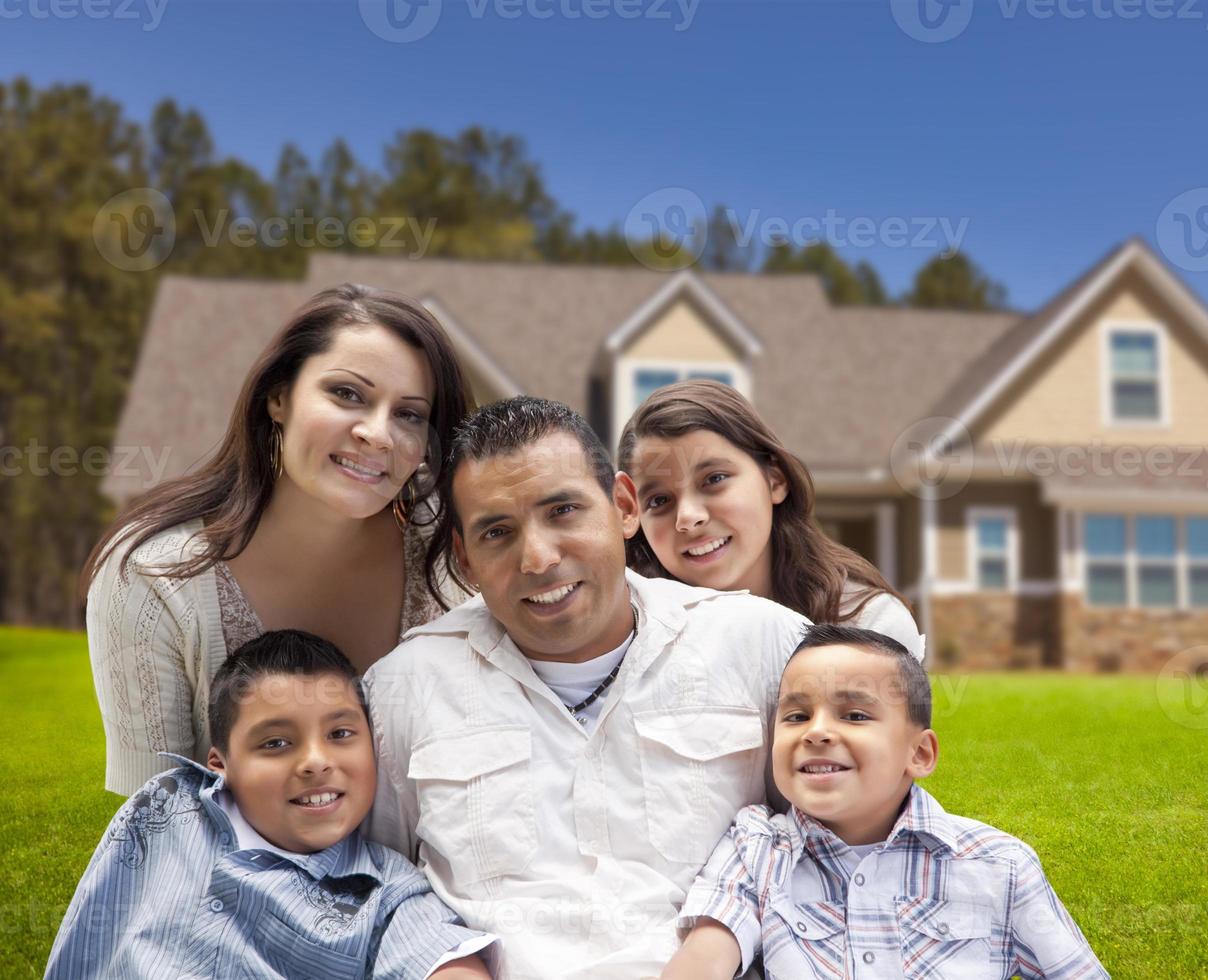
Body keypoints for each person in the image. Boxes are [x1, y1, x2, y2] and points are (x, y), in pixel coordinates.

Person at [362, 396, 810, 979]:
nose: (539, 557)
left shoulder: (763, 646)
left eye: (564, 510)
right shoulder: (404, 688)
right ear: (465, 560)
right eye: (497, 532)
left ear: (624, 507)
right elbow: (374, 883)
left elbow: (844, 845)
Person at [82, 283, 473, 795]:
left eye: (409, 415)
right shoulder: (152, 578)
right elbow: (156, 825)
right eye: (347, 394)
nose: (378, 434)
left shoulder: (456, 547)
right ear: (279, 396)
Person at [46, 629, 498, 980]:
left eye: (340, 734)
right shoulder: (165, 807)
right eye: (276, 742)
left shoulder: (385, 891)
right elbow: (91, 929)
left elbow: (440, 955)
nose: (316, 762)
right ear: (221, 765)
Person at [664, 625, 1108, 980]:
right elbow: (706, 954)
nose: (816, 732)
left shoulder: (1000, 865)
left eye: (855, 715)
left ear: (919, 753)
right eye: (796, 716)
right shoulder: (755, 849)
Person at [617, 380, 923, 658]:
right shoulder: (630, 640)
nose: (688, 517)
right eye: (658, 500)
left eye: (714, 479)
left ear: (775, 480)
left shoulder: (870, 626)